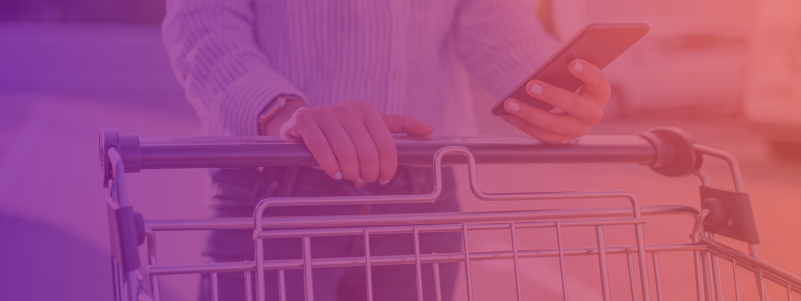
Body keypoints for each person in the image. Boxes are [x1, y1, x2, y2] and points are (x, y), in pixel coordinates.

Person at [161, 1, 611, 300]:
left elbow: (489, 17)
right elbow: (204, 18)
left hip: (421, 190)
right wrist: (280, 110)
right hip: (281, 180)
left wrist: (548, 88)